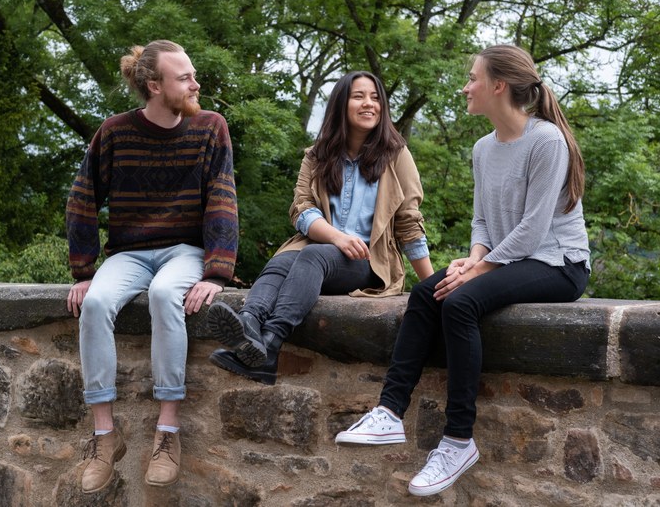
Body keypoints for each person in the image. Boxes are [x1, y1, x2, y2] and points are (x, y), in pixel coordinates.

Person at [335, 44, 591, 497]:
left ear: (498, 86)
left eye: (472, 78)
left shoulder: (546, 141)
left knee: (460, 302)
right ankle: (390, 413)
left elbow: (532, 232)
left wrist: (476, 272)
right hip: (510, 257)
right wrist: (474, 258)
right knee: (425, 294)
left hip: (559, 263)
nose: (465, 86)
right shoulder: (482, 148)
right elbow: (483, 222)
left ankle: (457, 441)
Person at [65, 40, 238, 493]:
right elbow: (82, 199)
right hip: (129, 252)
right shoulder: (115, 132)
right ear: (154, 85)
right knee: (97, 303)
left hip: (185, 250)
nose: (195, 83)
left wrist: (217, 272)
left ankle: (168, 431)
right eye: (185, 78)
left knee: (165, 296)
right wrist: (84, 274)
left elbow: (222, 199)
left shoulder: (210, 127)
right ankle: (105, 436)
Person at [205, 70, 434, 386]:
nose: (369, 104)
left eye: (375, 97)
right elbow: (301, 210)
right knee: (283, 259)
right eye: (358, 96)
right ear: (341, 104)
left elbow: (410, 223)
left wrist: (433, 287)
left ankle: (270, 346)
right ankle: (248, 326)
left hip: (368, 261)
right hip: (318, 250)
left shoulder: (396, 155)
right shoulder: (317, 155)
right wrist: (337, 237)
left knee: (313, 256)